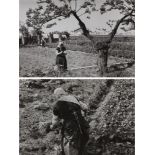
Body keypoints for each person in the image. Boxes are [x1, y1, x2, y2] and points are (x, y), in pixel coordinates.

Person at [50, 87, 89, 155]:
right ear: (64, 93)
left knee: (69, 145)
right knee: (83, 144)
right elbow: (85, 107)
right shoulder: (74, 98)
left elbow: (55, 121)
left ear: (57, 96)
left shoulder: (56, 105)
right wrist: (83, 115)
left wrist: (52, 126)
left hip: (70, 129)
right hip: (83, 125)